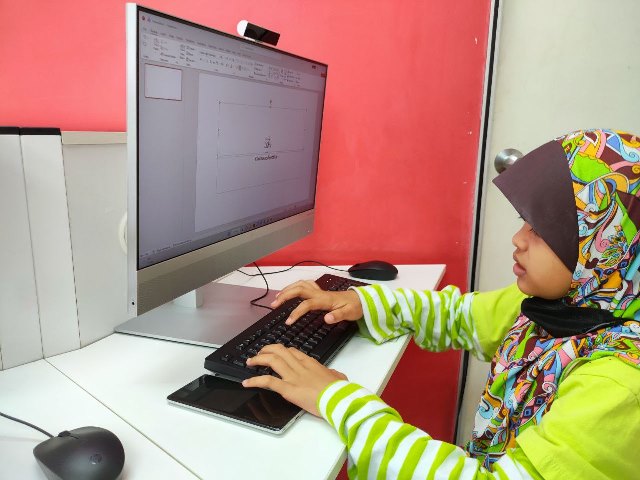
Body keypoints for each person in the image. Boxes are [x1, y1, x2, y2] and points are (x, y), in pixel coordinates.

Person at [242, 129, 640, 479]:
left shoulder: (618, 387)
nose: (518, 239)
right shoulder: (565, 306)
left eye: (539, 230)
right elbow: (461, 315)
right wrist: (361, 301)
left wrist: (341, 401)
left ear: (606, 249)